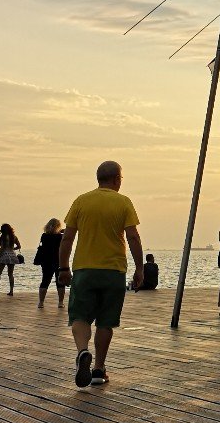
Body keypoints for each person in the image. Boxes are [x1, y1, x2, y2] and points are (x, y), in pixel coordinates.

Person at [57, 160, 143, 388]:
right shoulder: (123, 202)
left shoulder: (81, 201)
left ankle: (83, 352)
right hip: (113, 271)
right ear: (116, 179)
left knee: (79, 317)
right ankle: (98, 369)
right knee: (105, 322)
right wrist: (140, 268)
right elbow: (133, 237)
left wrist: (63, 267)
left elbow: (67, 237)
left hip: (84, 270)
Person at [35, 218, 65, 308]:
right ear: (58, 227)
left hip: (46, 261)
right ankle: (60, 302)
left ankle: (41, 303)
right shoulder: (60, 237)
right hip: (58, 260)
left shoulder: (44, 236)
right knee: (60, 282)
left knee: (45, 281)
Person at [0, 224, 21, 296]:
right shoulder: (14, 237)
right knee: (10, 274)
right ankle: (11, 291)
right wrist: (12, 249)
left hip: (4, 256)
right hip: (12, 256)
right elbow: (19, 246)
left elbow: (2, 249)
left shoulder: (3, 237)